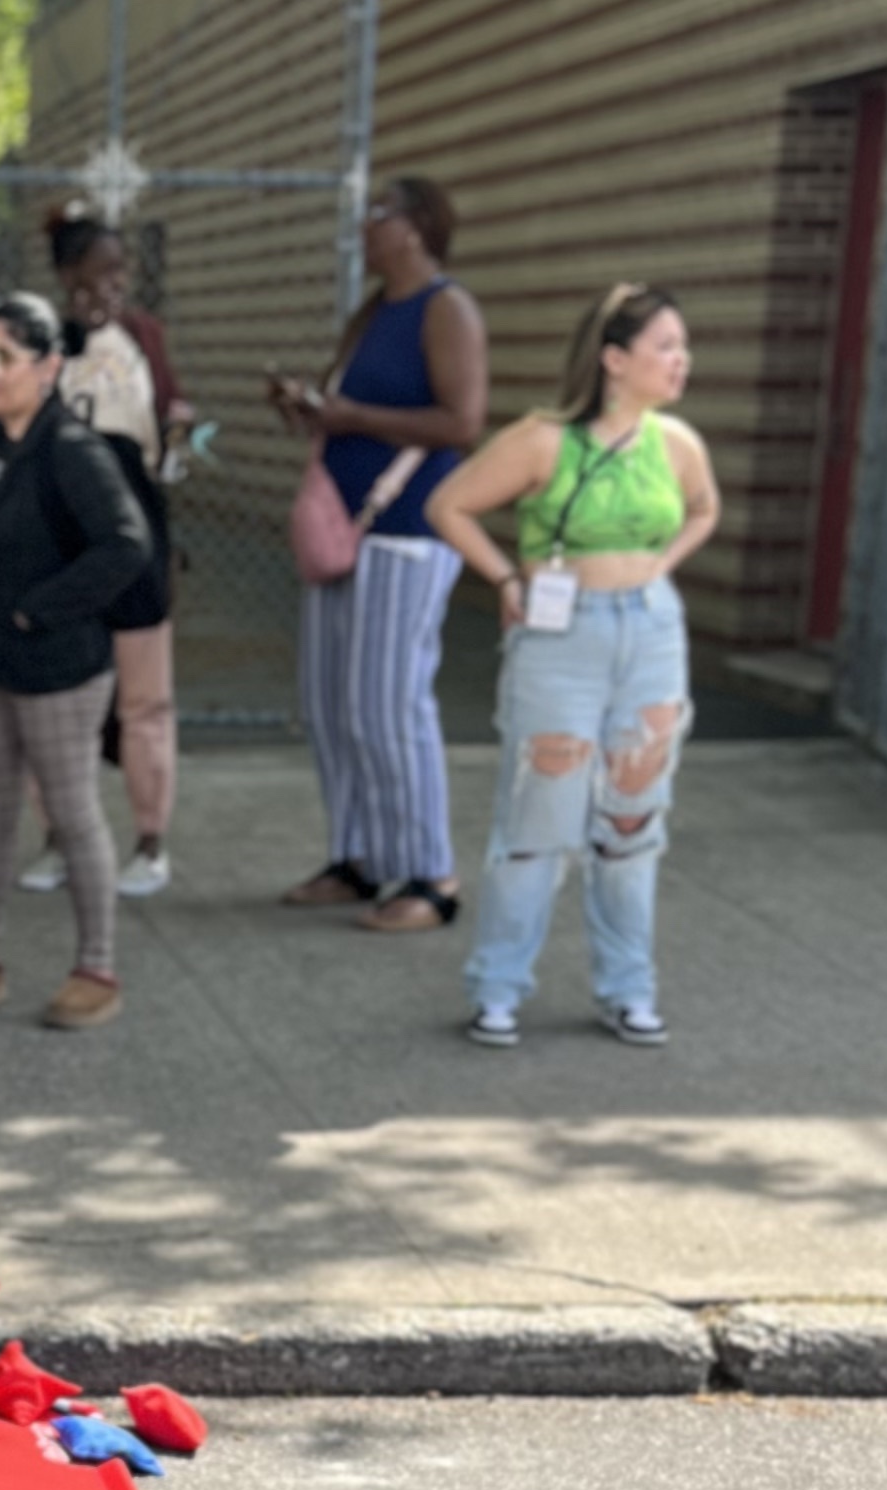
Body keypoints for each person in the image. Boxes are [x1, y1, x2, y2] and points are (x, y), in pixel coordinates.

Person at [429, 284, 720, 1049]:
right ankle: (498, 988)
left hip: (651, 630)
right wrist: (503, 579)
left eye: (682, 345)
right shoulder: (544, 439)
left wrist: (661, 565)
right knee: (539, 818)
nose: (680, 360)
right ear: (614, 360)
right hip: (563, 636)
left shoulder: (678, 443)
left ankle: (628, 988)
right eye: (665, 346)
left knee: (632, 818)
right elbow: (449, 505)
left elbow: (704, 509)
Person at [0, 291, 152, 1031]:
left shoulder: (71, 451)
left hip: (57, 670)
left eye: (4, 359)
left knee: (73, 815)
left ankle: (97, 968)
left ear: (48, 367)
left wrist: (34, 608)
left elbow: (126, 544)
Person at [271, 176, 488, 930]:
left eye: (376, 214)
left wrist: (352, 413)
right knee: (332, 704)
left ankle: (431, 876)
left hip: (407, 535)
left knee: (389, 706)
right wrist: (315, 411)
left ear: (417, 226)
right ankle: (359, 856)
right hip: (346, 532)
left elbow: (463, 422)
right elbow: (359, 416)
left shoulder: (445, 308)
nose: (363, 227)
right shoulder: (373, 314)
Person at [19, 206, 189, 901]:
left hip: (136, 538)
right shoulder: (42, 339)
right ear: (67, 276)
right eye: (99, 272)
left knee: (144, 699)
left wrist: (180, 434)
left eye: (123, 271)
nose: (114, 285)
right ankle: (60, 835)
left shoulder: (143, 336)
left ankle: (150, 843)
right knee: (54, 698)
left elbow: (173, 409)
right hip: (60, 548)